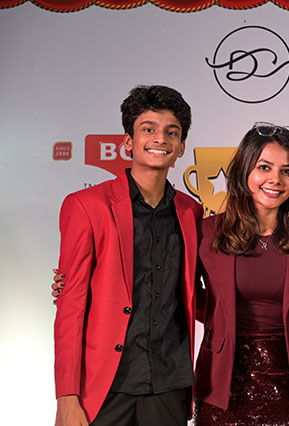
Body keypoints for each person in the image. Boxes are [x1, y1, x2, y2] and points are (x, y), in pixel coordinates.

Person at [53, 85, 202, 426]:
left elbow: (193, 294)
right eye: (148, 129)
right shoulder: (86, 206)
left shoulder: (190, 212)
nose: (160, 139)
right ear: (128, 142)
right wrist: (67, 396)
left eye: (172, 132)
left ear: (181, 147)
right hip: (104, 387)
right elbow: (70, 309)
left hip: (169, 385)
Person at [193, 122, 289, 425]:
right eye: (264, 167)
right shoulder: (208, 233)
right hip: (222, 381)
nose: (275, 179)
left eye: (287, 171)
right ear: (244, 170)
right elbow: (186, 296)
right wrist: (220, 319)